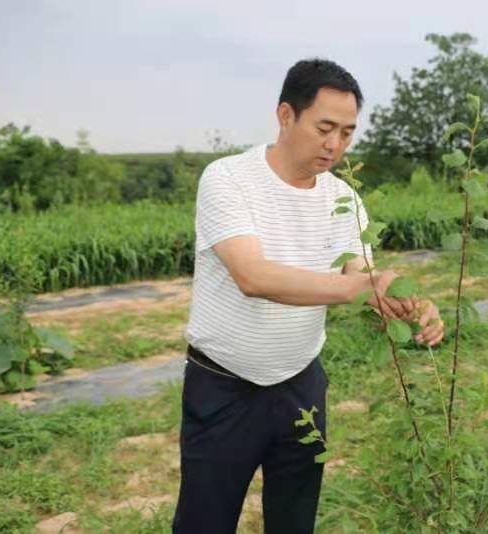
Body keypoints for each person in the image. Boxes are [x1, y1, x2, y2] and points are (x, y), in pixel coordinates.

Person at [172, 58, 444, 534]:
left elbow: (361, 275)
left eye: (347, 132)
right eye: (325, 128)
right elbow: (253, 276)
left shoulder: (343, 197)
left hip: (301, 386)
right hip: (223, 387)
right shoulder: (228, 179)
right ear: (285, 115)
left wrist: (407, 303)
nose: (335, 144)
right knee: (204, 523)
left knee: (294, 521)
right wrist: (362, 286)